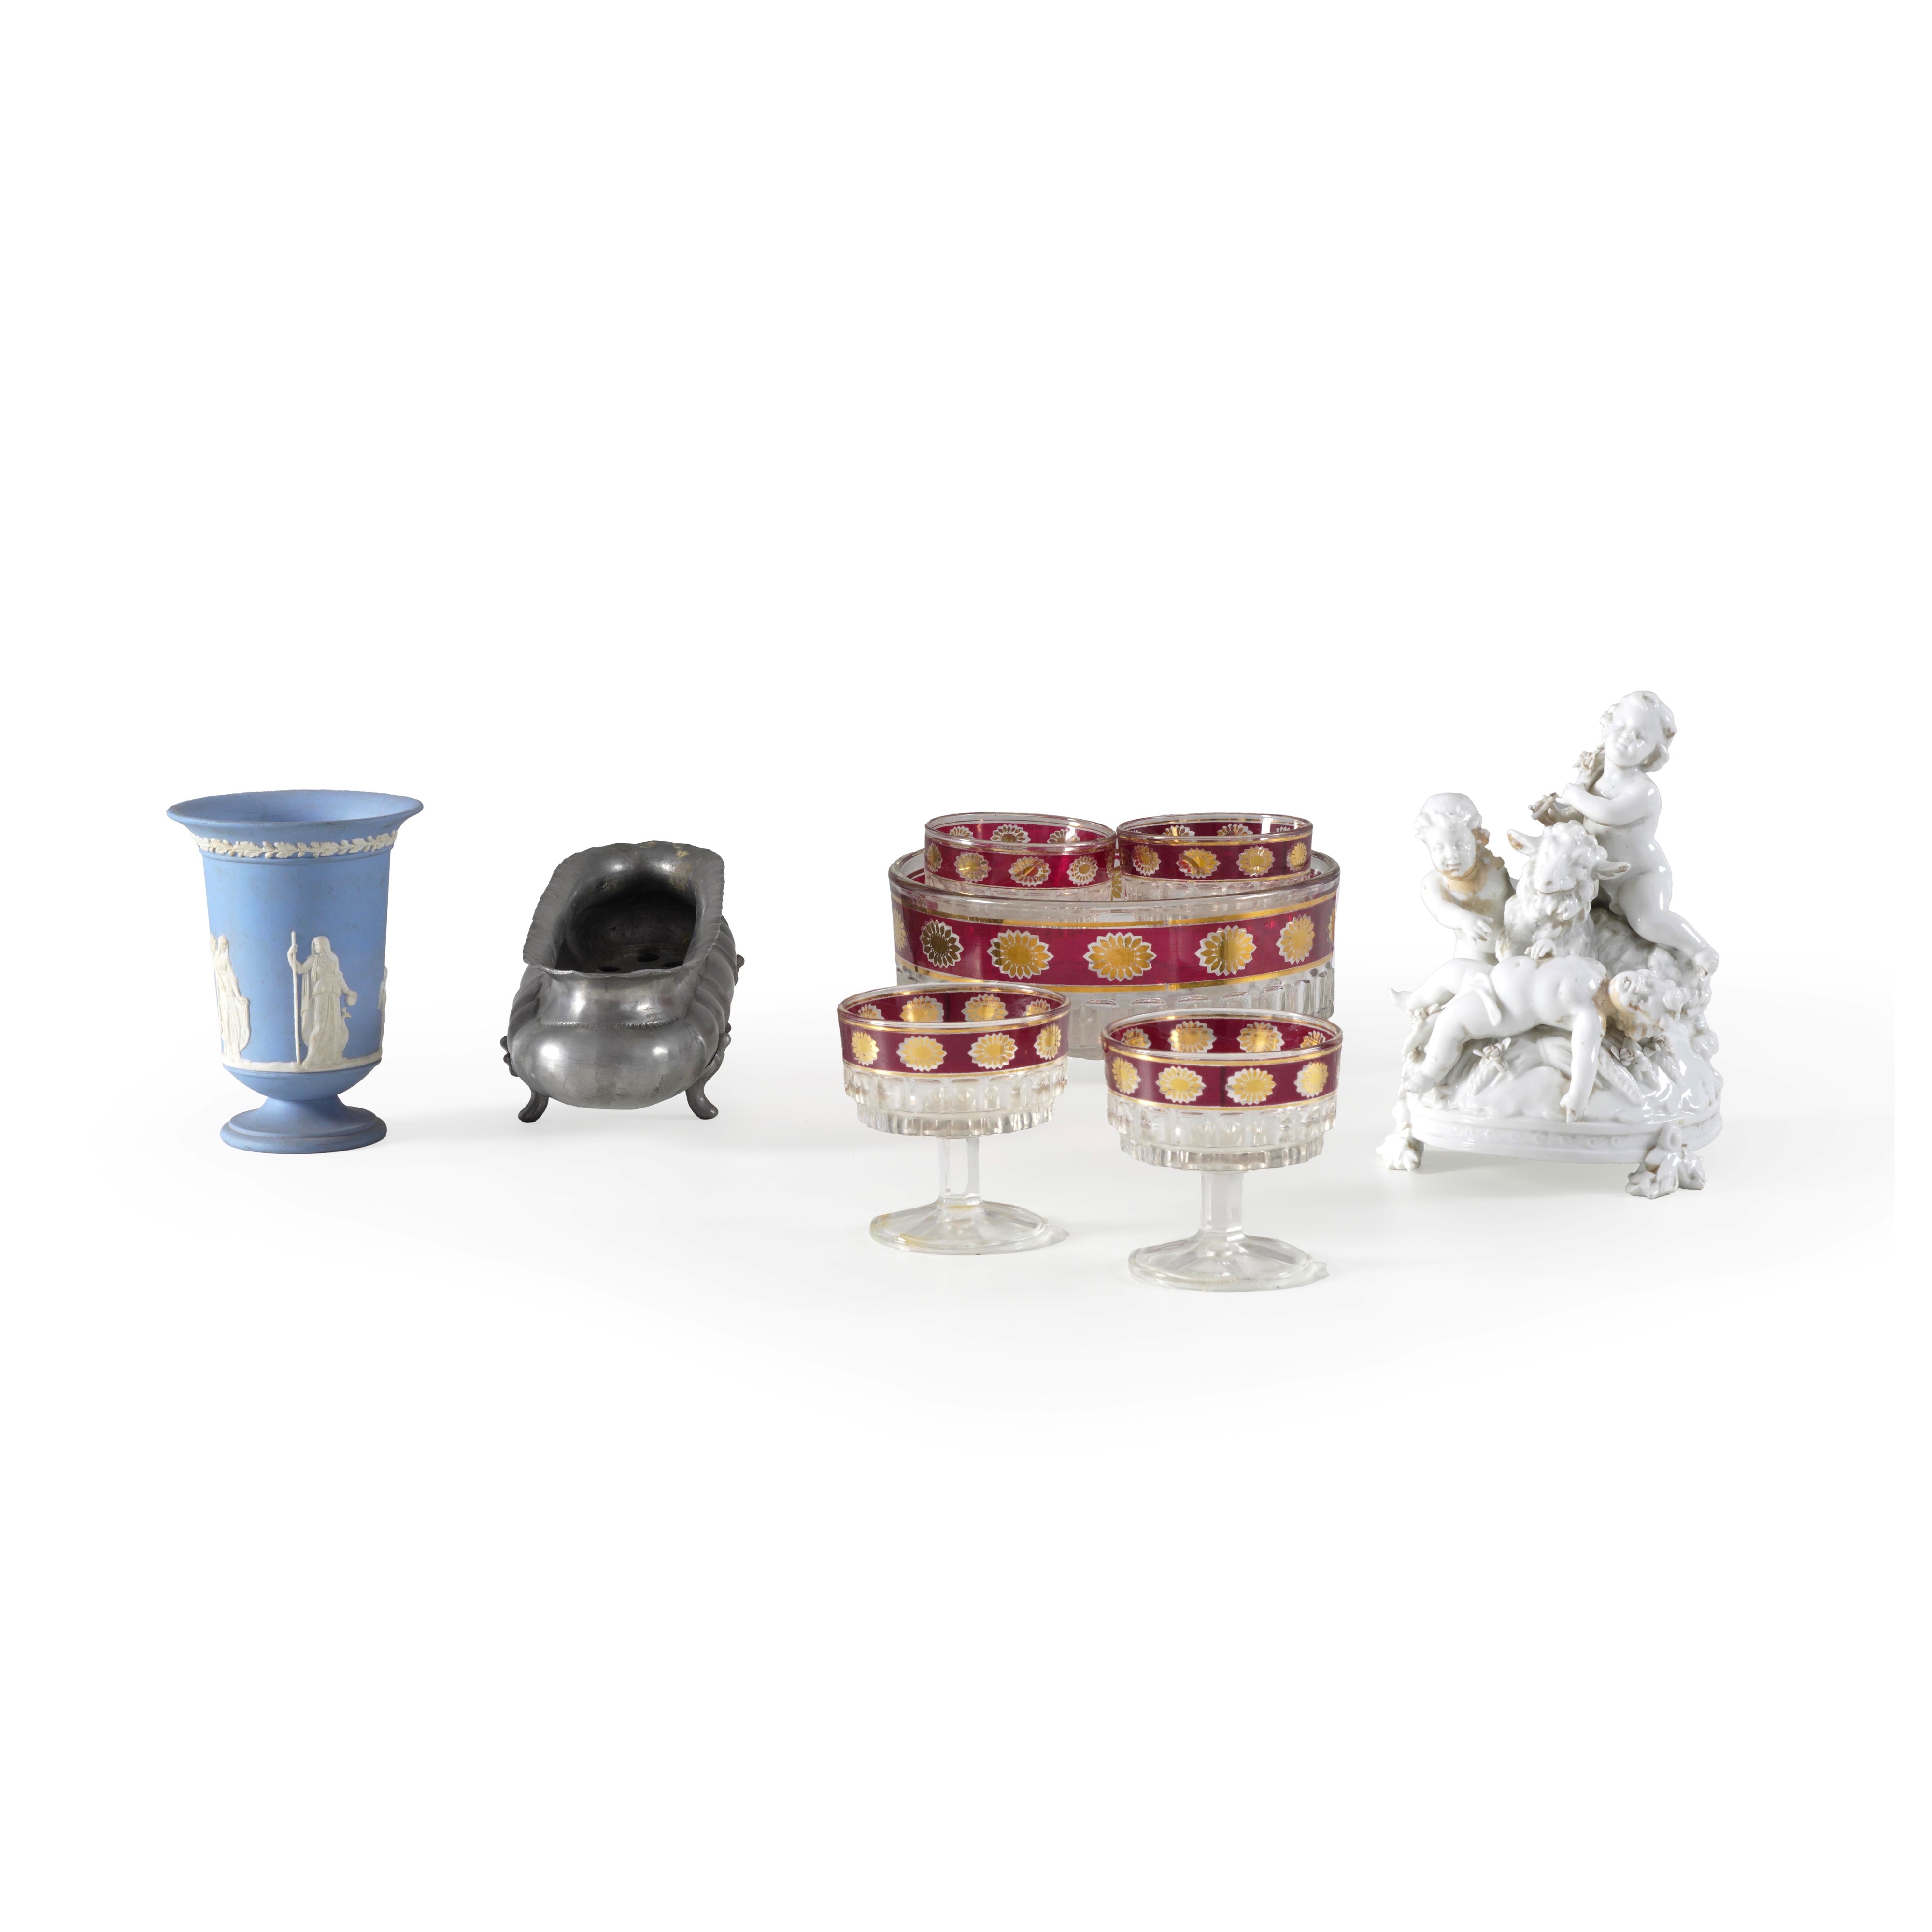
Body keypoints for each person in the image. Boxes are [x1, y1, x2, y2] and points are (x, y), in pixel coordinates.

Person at [1530, 690, 1718, 972]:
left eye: (1639, 737)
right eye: (1621, 727)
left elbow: (1609, 813)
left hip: (1638, 877)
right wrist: (1556, 815)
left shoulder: (1643, 791)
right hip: (1597, 874)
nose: (1625, 738)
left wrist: (1576, 795)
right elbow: (1579, 817)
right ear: (1607, 726)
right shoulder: (1594, 775)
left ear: (1652, 754)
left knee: (1648, 922)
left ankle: (1699, 949)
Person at [287, 934, 357, 1066]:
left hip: (333, 994)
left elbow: (338, 976)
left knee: (333, 1026)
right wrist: (290, 955)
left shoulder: (334, 959)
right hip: (321, 994)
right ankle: (310, 1058)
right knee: (319, 1026)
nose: (315, 947)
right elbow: (300, 969)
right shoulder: (314, 960)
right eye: (314, 945)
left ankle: (332, 1057)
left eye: (317, 945)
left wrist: (348, 991)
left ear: (325, 945)